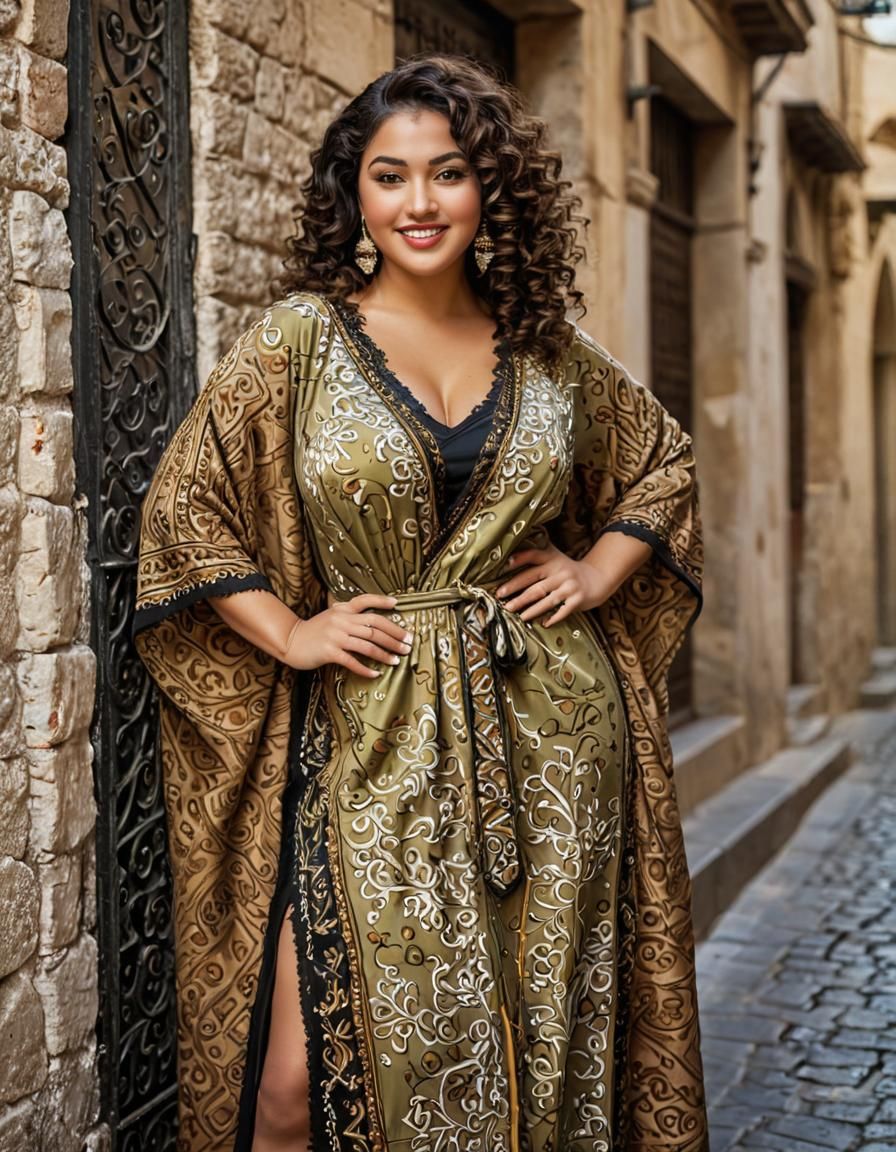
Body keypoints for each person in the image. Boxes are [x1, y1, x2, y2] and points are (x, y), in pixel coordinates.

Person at [133, 53, 707, 1152]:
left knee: (534, 1043)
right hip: (368, 742)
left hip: (550, 755)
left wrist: (595, 572)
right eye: (389, 176)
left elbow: (663, 466)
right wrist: (290, 630)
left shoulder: (549, 352)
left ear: (488, 187)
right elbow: (184, 512)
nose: (419, 203)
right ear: (353, 193)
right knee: (291, 1091)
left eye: (446, 174)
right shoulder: (298, 342)